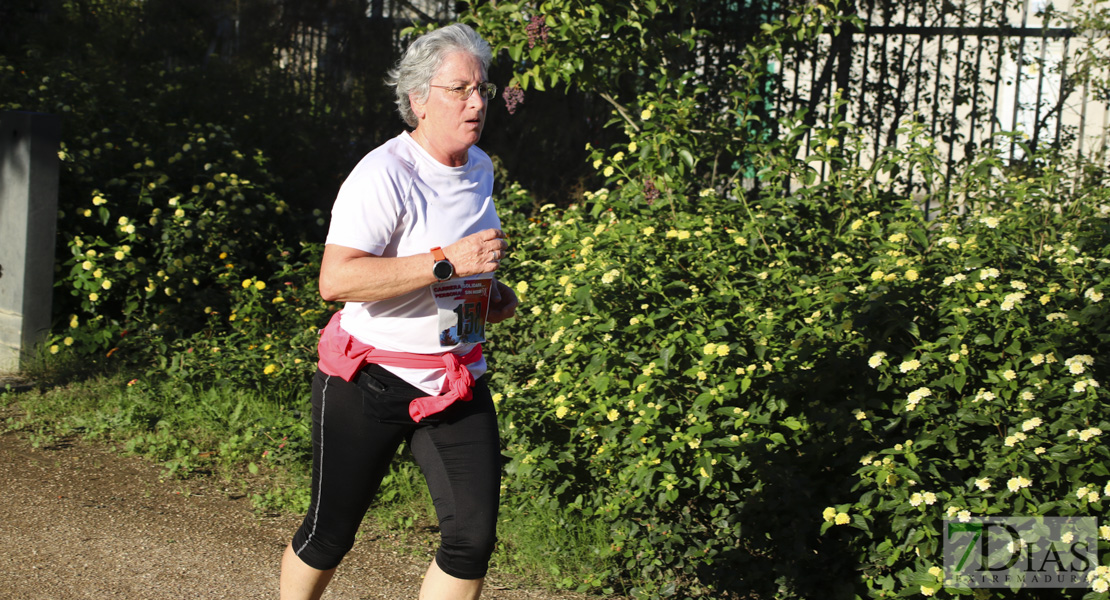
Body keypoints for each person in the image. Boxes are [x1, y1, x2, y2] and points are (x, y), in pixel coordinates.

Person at [279, 23, 518, 600]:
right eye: (459, 89)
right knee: (328, 534)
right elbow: (336, 281)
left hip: (454, 376)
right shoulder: (384, 173)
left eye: (481, 89)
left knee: (471, 541)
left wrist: (488, 295)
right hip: (370, 380)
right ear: (418, 99)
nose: (476, 102)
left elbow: (463, 270)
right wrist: (447, 263)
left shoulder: (479, 166)